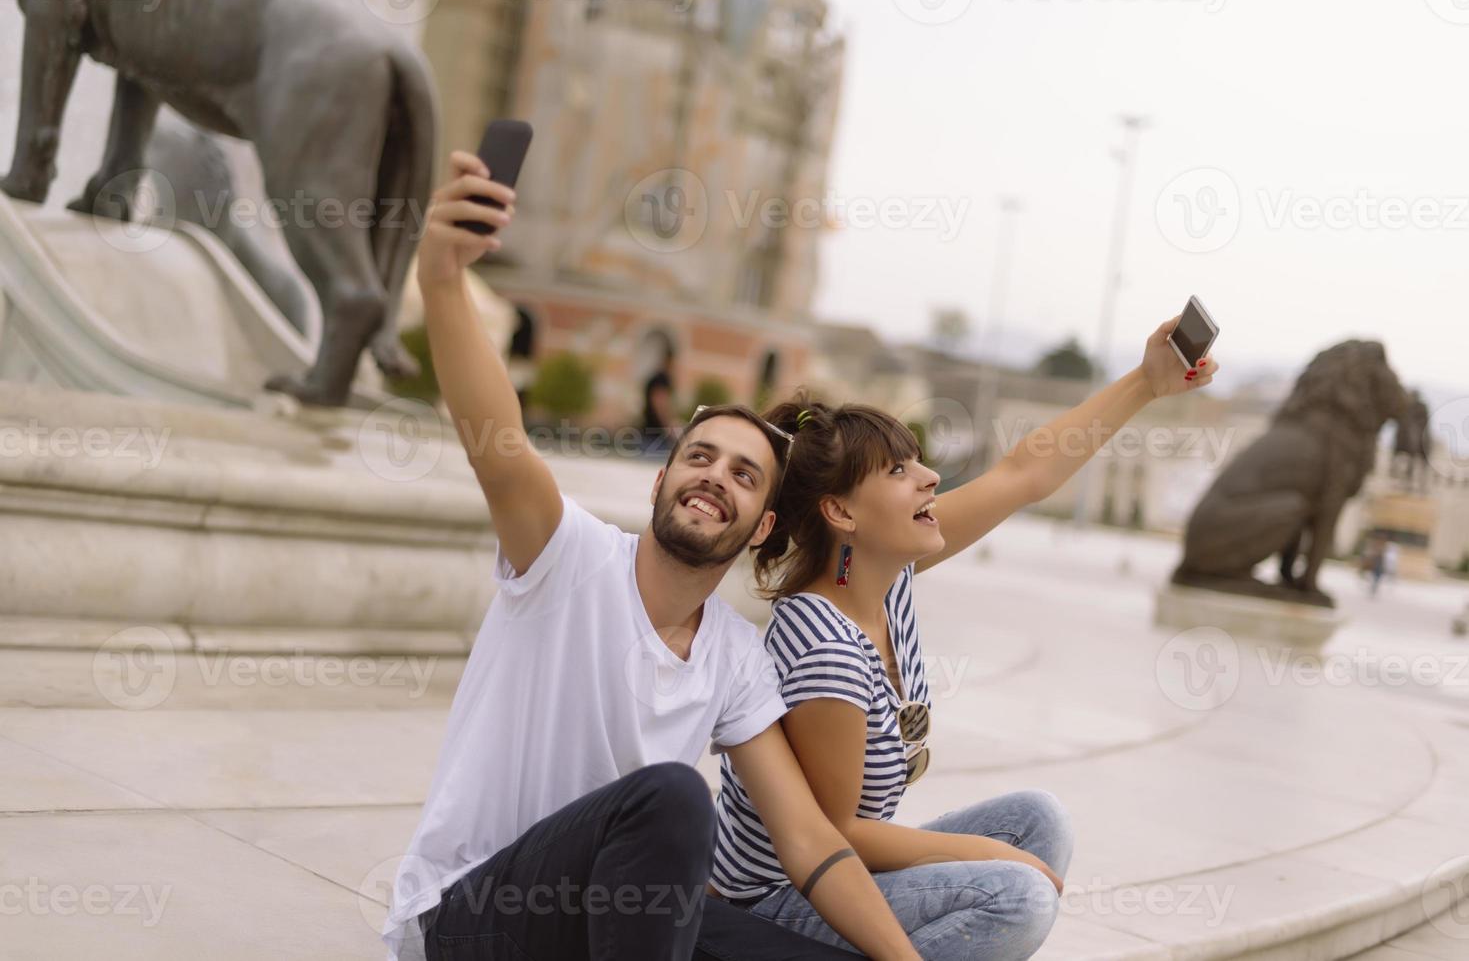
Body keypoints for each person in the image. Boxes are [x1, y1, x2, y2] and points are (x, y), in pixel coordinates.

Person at [382, 150, 923, 961]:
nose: (714, 478)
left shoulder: (734, 659)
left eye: (743, 475)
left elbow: (809, 840)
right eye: (700, 458)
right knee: (674, 798)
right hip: (470, 923)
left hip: (604, 926)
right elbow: (496, 442)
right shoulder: (565, 560)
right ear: (661, 481)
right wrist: (442, 282)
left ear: (764, 527)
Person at [711, 317, 1221, 959]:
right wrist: (984, 854)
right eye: (899, 471)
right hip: (776, 906)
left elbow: (1021, 474)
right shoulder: (825, 647)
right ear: (841, 513)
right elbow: (837, 835)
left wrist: (1147, 383)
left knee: (1037, 820)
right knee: (1018, 894)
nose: (928, 477)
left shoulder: (880, 577)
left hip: (831, 867)